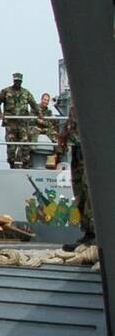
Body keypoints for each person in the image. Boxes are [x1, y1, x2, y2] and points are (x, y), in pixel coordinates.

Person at [58, 101, 95, 250]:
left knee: (89, 190)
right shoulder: (76, 103)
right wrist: (62, 138)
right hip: (77, 150)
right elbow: (70, 123)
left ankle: (97, 234)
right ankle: (88, 233)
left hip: (91, 150)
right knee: (79, 192)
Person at [0, 72, 39, 169]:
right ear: (13, 81)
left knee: (25, 144)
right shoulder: (6, 91)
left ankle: (25, 163)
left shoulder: (26, 93)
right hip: (10, 124)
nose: (17, 83)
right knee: (11, 146)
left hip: (23, 124)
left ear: (21, 82)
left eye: (19, 81)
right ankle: (12, 164)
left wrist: (38, 115)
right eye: (16, 81)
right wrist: (0, 114)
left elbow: (34, 105)